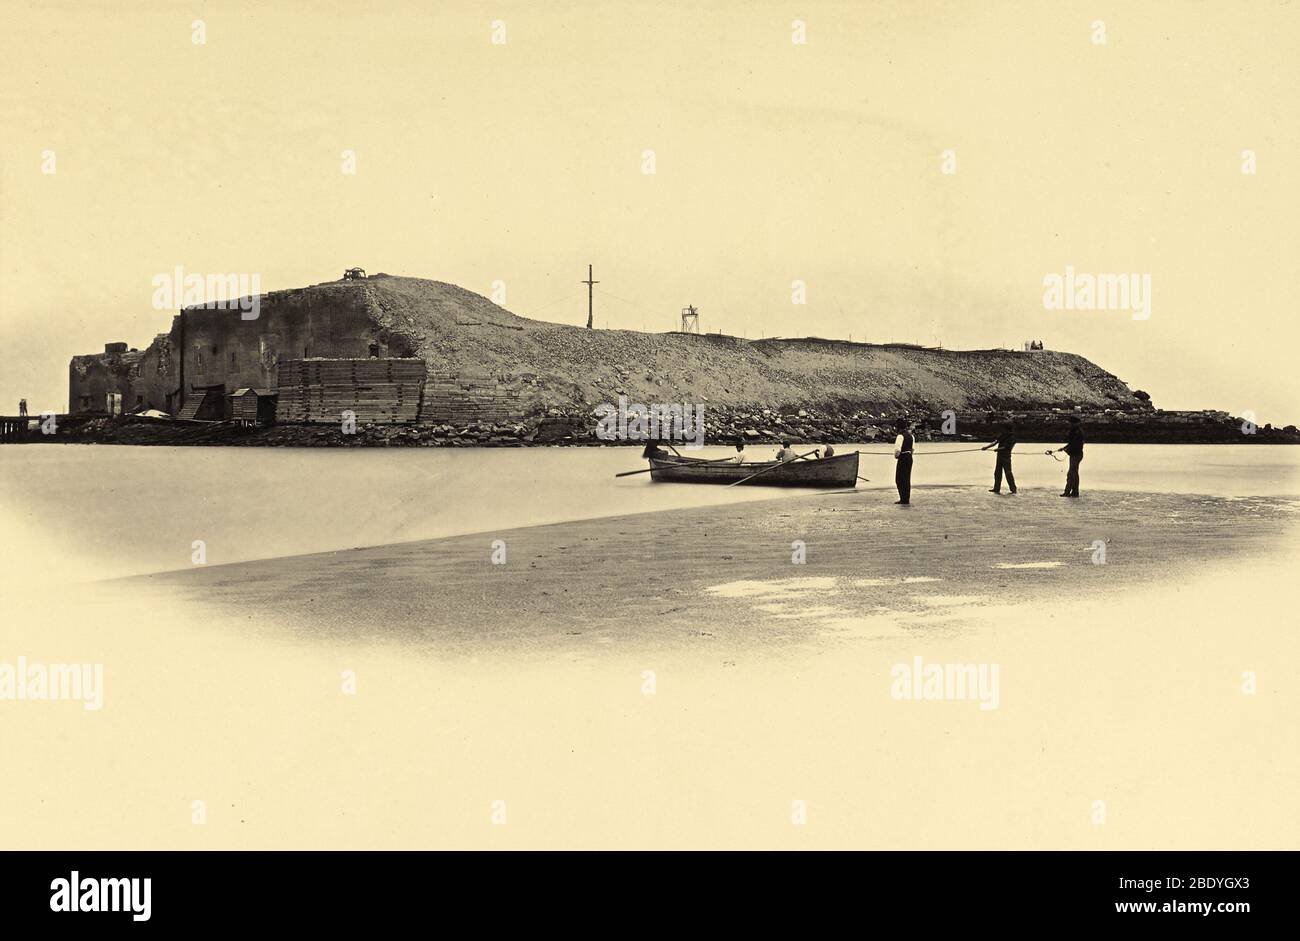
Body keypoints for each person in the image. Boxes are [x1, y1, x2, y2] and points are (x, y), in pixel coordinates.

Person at [981, 423, 1017, 494]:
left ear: (1007, 429)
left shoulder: (1012, 438)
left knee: (1008, 473)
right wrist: (986, 447)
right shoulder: (1002, 435)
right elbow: (995, 442)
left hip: (1006, 456)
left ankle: (1013, 489)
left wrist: (998, 449)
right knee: (997, 473)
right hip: (1000, 456)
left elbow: (1007, 447)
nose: (1002, 430)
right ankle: (996, 488)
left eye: (1003, 429)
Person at [1053, 416, 1084, 497]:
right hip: (1077, 454)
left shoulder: (1076, 432)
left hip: (1075, 455)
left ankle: (1067, 492)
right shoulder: (1076, 431)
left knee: (1071, 474)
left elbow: (1074, 445)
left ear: (1074, 423)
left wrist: (1066, 450)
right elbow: (1072, 444)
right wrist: (1064, 448)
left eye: (1070, 423)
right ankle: (1075, 492)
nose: (1069, 424)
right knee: (1075, 474)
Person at [892, 418, 913, 504]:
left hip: (903, 457)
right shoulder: (911, 436)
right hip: (909, 457)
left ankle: (903, 499)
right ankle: (906, 498)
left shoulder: (900, 436)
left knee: (899, 479)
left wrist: (897, 457)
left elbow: (897, 451)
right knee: (907, 479)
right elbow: (912, 449)